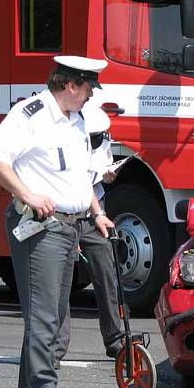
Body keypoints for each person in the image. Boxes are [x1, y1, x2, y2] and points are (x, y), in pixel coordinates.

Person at [0, 55, 114, 388]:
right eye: (87, 88)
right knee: (43, 312)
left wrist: (97, 213)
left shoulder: (76, 120)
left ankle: (32, 385)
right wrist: (27, 194)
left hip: (70, 224)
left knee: (54, 308)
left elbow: (79, 176)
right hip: (40, 225)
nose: (90, 96)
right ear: (70, 85)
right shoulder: (31, 114)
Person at [55, 102, 122, 367]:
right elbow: (77, 179)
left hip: (93, 211)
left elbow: (95, 177)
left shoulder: (98, 130)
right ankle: (55, 349)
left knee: (107, 274)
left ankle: (116, 340)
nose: (99, 139)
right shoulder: (67, 137)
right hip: (66, 213)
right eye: (95, 136)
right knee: (61, 284)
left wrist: (108, 174)